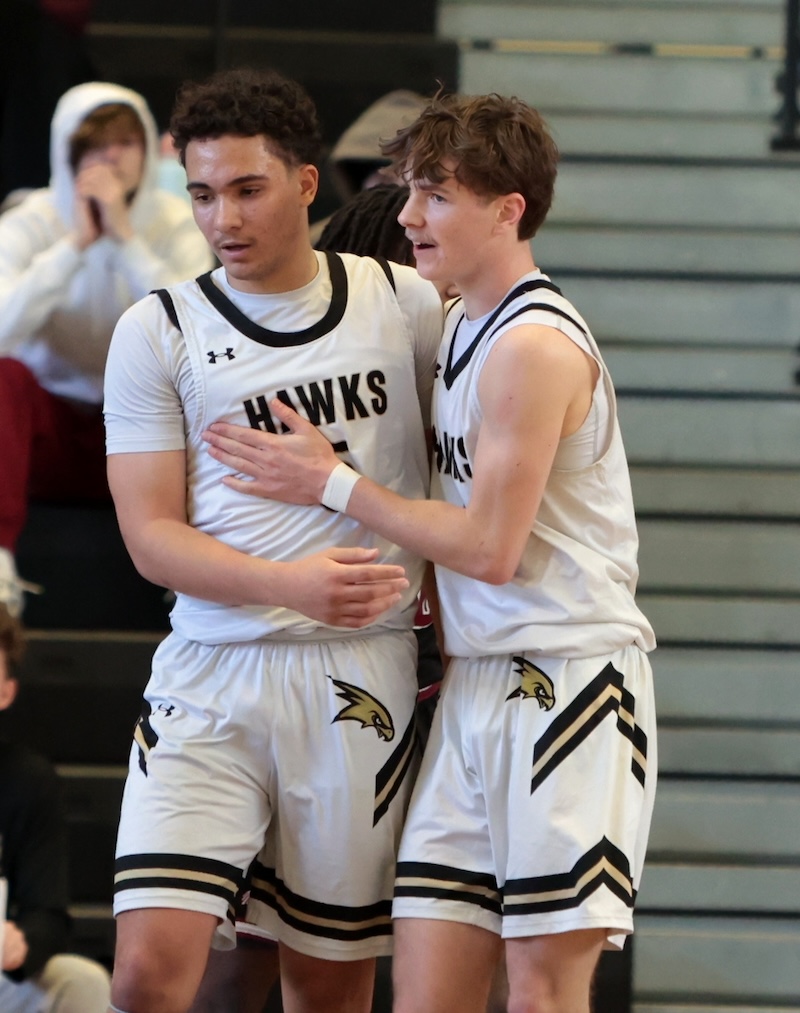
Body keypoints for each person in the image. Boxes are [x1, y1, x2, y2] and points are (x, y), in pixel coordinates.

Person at [201, 90, 658, 1013]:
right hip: (473, 684)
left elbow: (490, 548)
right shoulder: (452, 327)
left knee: (540, 991)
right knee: (427, 991)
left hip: (567, 676)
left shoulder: (533, 344)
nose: (408, 214)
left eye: (436, 194)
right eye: (411, 191)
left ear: (508, 208)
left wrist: (330, 480)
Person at [102, 67, 443, 1013]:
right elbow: (150, 537)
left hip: (357, 670)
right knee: (145, 975)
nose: (224, 218)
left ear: (304, 182)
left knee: (326, 988)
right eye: (202, 194)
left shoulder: (405, 303)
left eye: (247, 189)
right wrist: (287, 583)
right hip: (211, 666)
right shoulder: (156, 329)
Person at [0, 80, 213, 618]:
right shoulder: (29, 221)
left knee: (214, 377)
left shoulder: (178, 221)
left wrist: (125, 241)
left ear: (146, 148)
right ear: (66, 154)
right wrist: (74, 246)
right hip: (49, 431)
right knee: (5, 377)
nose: (111, 159)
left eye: (125, 142)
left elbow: (198, 334)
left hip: (146, 435)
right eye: (94, 146)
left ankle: (199, 568)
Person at [0, 605, 112, 1012]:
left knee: (80, 982)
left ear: (7, 692)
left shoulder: (26, 780)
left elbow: (48, 914)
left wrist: (20, 944)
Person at [309, 90, 428, 245]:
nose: (374, 183)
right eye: (368, 171)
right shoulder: (328, 238)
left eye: (394, 171)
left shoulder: (439, 238)